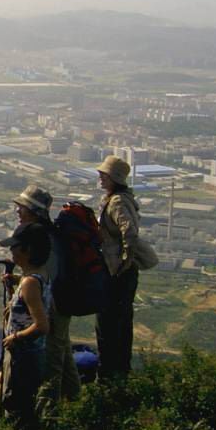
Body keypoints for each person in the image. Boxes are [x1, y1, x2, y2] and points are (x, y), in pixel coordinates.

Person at [14, 185, 80, 403]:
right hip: (61, 304)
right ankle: (74, 401)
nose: (18, 211)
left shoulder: (45, 239)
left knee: (52, 359)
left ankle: (49, 410)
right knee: (63, 355)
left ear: (33, 212)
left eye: (22, 208)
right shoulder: (50, 235)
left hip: (53, 307)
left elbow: (46, 280)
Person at [0, 222, 52, 430]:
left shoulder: (30, 283)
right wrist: (15, 286)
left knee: (15, 407)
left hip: (22, 356)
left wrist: (16, 337)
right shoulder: (40, 276)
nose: (11, 251)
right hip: (34, 355)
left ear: (27, 250)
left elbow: (41, 325)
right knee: (26, 405)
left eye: (15, 247)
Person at [95, 155, 141, 379]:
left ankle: (111, 374)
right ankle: (118, 372)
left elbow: (129, 231)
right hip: (121, 271)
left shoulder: (117, 202)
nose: (101, 178)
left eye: (104, 175)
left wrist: (124, 259)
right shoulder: (121, 198)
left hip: (117, 272)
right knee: (120, 323)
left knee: (110, 323)